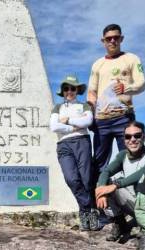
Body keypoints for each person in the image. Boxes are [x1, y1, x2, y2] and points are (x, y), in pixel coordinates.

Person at [87, 24, 145, 183]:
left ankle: (136, 200)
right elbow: (92, 92)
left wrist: (127, 87)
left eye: (116, 37)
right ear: (103, 41)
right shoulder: (97, 64)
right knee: (99, 162)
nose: (112, 41)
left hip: (124, 118)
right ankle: (97, 202)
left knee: (132, 157)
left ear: (121, 38)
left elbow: (142, 84)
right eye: (108, 38)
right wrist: (90, 114)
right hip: (101, 120)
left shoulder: (131, 58)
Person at [95, 121, 145, 242]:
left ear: (144, 136)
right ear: (124, 139)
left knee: (113, 185)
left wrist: (116, 185)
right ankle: (120, 225)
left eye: (137, 135)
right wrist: (101, 191)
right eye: (128, 136)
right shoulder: (123, 155)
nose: (133, 139)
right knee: (105, 184)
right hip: (134, 203)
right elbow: (106, 172)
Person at [50, 75, 98, 231]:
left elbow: (87, 122)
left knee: (86, 179)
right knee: (71, 178)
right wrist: (73, 126)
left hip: (82, 141)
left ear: (77, 90)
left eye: (72, 88)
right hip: (64, 145)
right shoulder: (57, 108)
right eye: (66, 88)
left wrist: (67, 120)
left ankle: (85, 216)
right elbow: (54, 126)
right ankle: (90, 207)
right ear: (63, 91)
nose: (69, 91)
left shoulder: (84, 106)